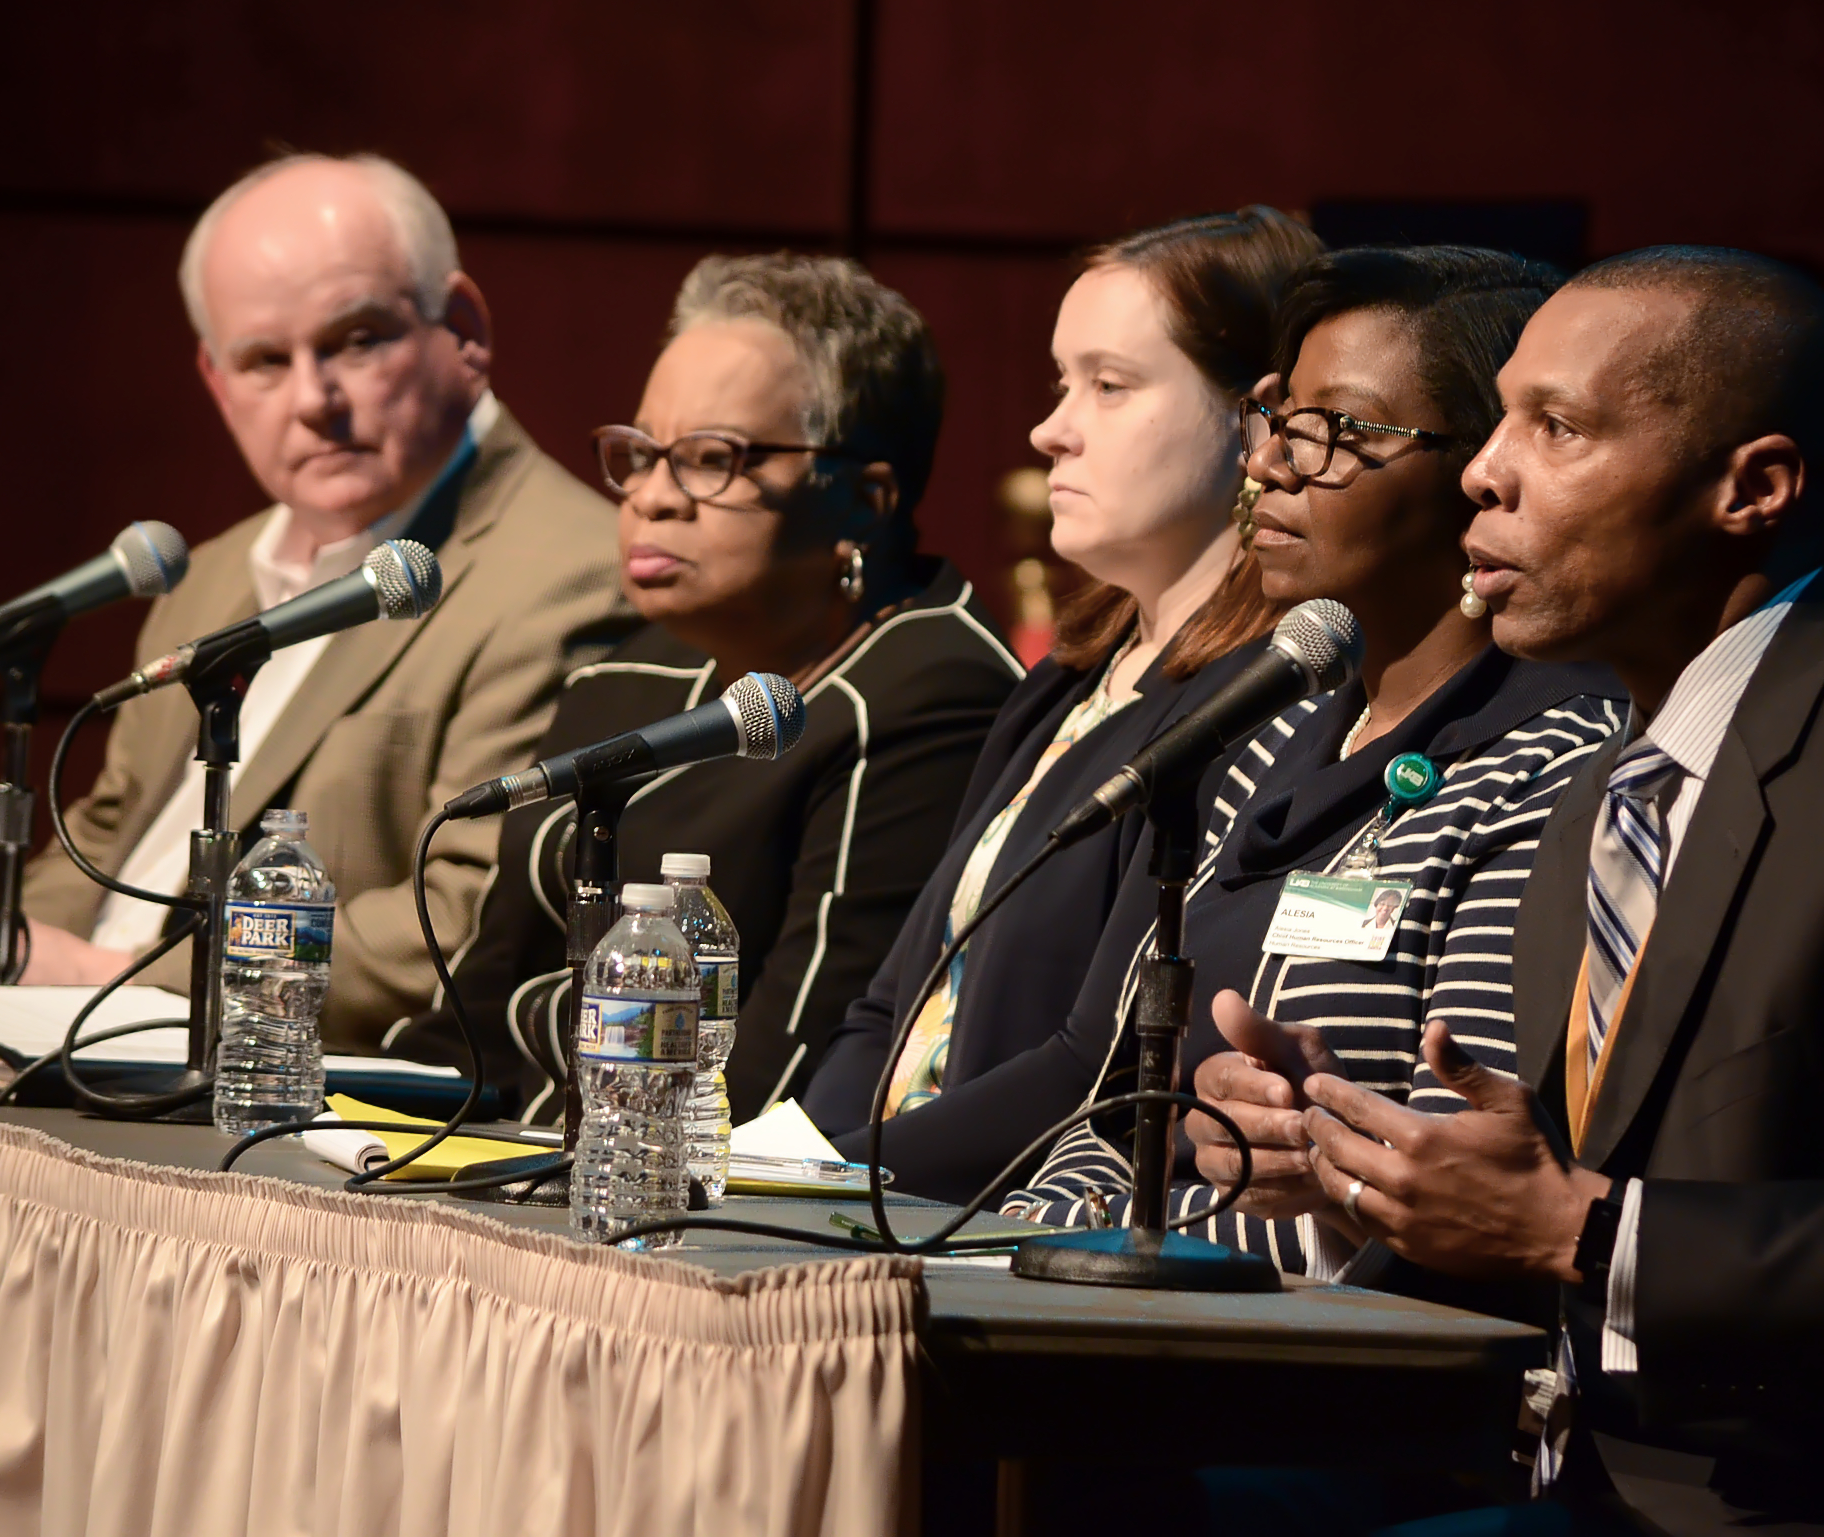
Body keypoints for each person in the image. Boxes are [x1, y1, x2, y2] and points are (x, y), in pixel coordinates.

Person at [1194, 247, 1824, 1532]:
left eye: (1558, 427)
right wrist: (1352, 1164)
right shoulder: (1610, 778)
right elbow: (1528, 1205)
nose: (1484, 467)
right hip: (1564, 1476)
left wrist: (1587, 1233)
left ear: (1752, 487)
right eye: (1501, 418)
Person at [0, 154, 626, 1051]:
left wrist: (118, 981)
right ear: (214, 380)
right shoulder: (208, 572)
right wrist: (2, 959)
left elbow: (458, 917)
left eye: (357, 341)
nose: (314, 399)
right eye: (264, 362)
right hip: (83, 1044)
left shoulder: (566, 576)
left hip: (285, 1080)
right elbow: (115, 824)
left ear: (463, 329)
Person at [1000, 248, 1621, 1266]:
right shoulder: (1267, 742)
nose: (1270, 465)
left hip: (1338, 1377)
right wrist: (1036, 1238)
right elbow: (1114, 1108)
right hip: (1121, 1323)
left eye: (1337, 431)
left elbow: (1456, 1197)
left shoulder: (1548, 767)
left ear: (1478, 471)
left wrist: (1142, 1238)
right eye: (1279, 419)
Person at [394, 254, 1022, 1122]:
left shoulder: (932, 699)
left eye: (710, 459)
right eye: (643, 455)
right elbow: (468, 1020)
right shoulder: (626, 675)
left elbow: (784, 1084)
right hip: (514, 1157)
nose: (651, 497)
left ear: (864, 501)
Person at [797, 207, 1321, 1187]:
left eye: (1109, 387)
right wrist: (782, 1168)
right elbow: (893, 1003)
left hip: (1003, 1232)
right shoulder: (1061, 683)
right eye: (1059, 383)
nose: (1050, 429)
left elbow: (1098, 1062)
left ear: (1255, 420)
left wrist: (834, 1179)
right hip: (881, 1204)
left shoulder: (1259, 705)